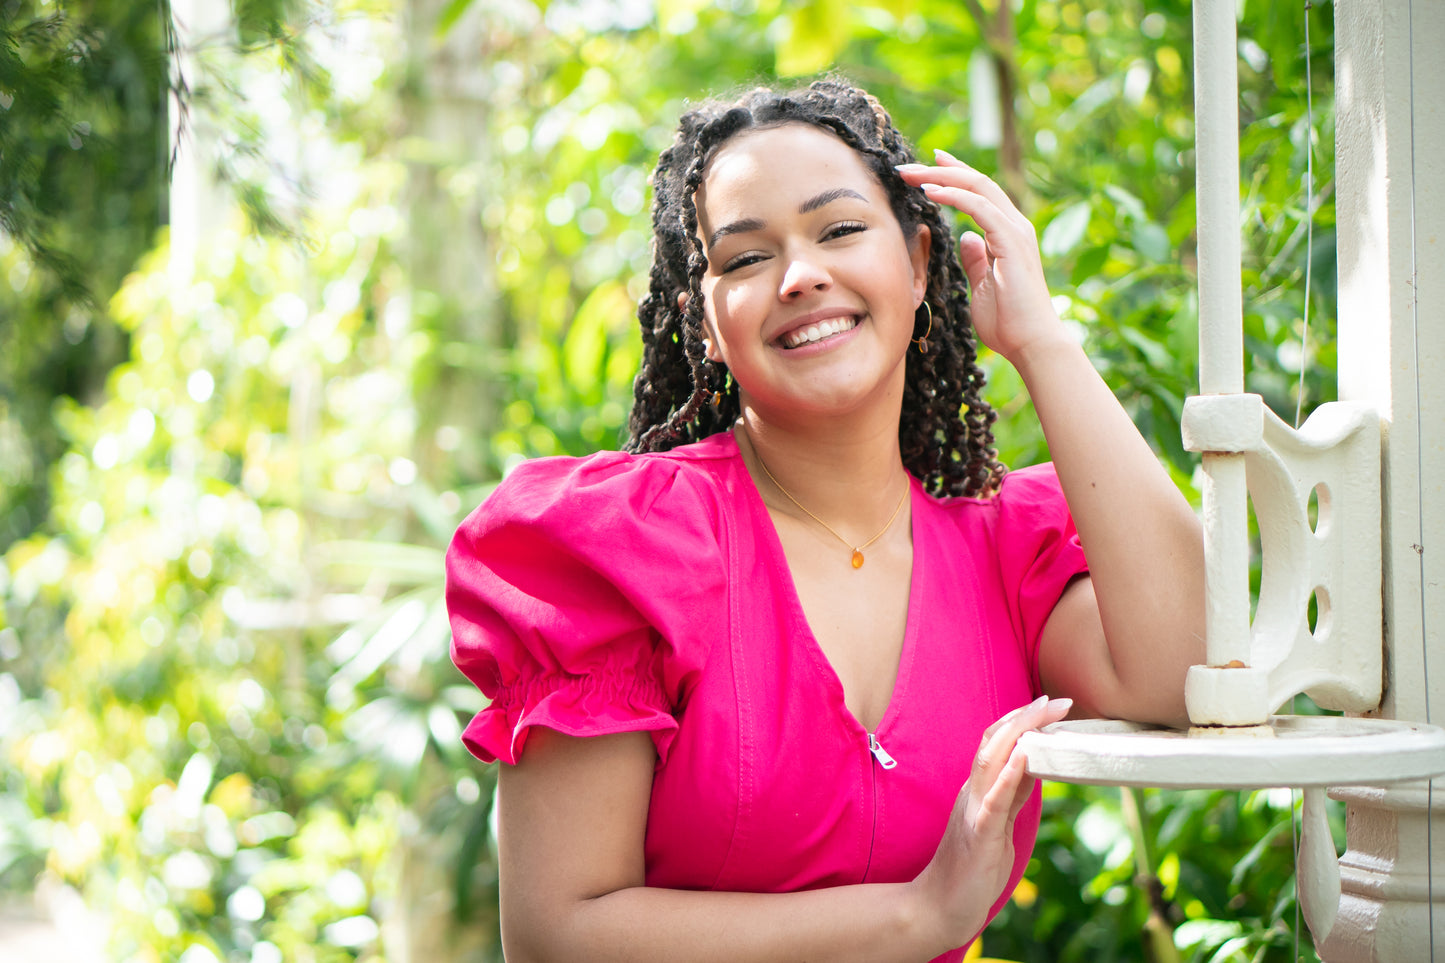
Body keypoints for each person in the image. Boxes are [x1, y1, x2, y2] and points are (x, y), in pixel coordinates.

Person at [446, 78, 1205, 963]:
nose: (801, 276)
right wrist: (919, 915)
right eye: (744, 258)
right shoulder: (630, 550)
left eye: (839, 229)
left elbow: (1182, 675)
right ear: (704, 324)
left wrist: (1038, 336)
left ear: (920, 262)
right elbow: (559, 934)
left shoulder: (1002, 551)